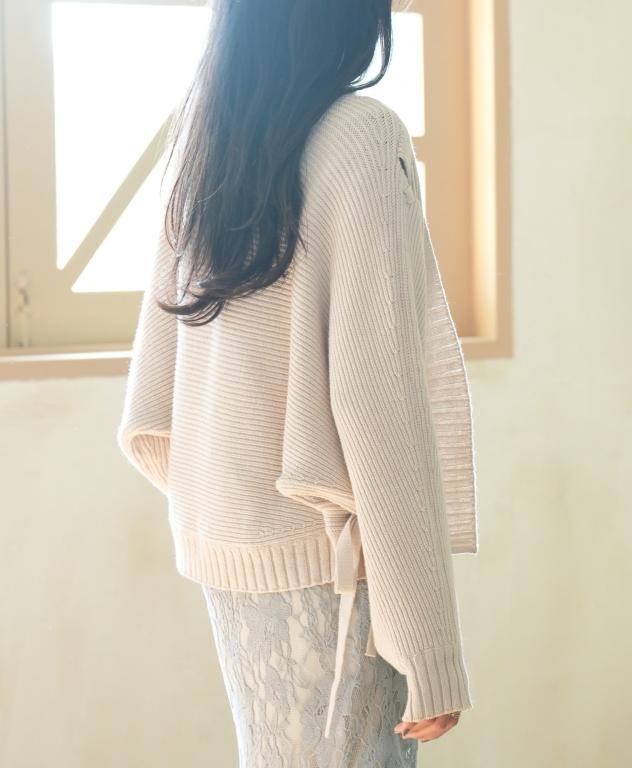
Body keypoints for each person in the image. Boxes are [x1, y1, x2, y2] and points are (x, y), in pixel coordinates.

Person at [117, 0, 478, 765]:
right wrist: (428, 644)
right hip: (333, 565)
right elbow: (381, 400)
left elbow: (163, 369)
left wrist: (233, 506)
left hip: (233, 552)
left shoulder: (209, 132)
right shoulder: (360, 136)